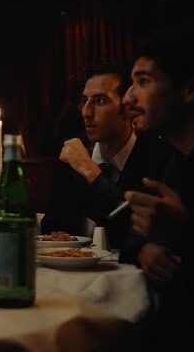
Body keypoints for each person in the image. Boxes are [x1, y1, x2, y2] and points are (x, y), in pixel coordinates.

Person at [122, 29, 194, 352]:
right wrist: (145, 248)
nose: (127, 98)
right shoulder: (169, 159)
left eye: (143, 82)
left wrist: (184, 234)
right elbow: (131, 230)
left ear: (190, 89)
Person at [42, 62, 170, 250]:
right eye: (84, 101)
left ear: (127, 107)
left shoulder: (157, 155)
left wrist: (90, 171)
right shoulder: (71, 151)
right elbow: (51, 227)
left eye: (100, 101)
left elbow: (134, 231)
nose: (86, 112)